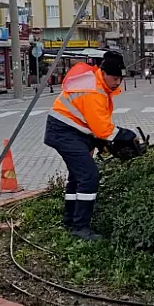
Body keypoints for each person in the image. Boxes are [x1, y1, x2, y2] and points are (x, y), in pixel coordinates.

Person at [44, 51, 137, 241]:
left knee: (78, 177)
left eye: (120, 78)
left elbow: (93, 124)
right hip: (64, 132)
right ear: (103, 73)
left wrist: (102, 143)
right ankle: (80, 227)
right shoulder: (94, 91)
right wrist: (127, 136)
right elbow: (103, 129)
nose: (117, 82)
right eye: (115, 78)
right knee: (89, 175)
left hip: (71, 132)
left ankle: (70, 220)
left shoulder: (97, 85)